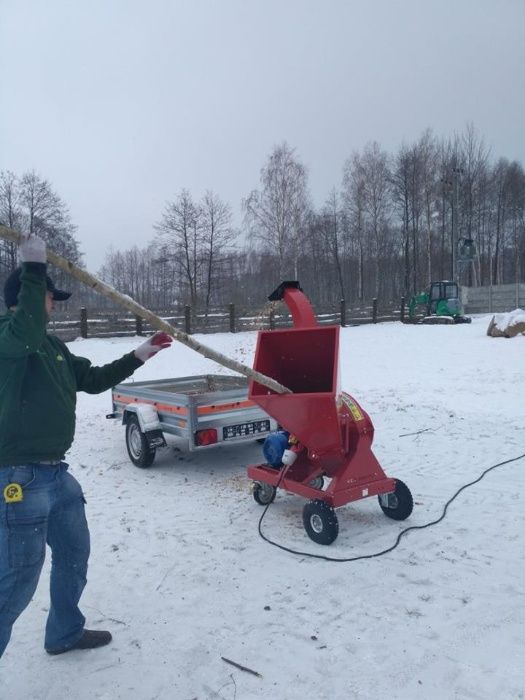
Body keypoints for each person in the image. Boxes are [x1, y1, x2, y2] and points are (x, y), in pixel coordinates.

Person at [0, 234, 172, 657]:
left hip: (58, 475)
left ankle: (64, 632)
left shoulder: (54, 347)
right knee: (19, 577)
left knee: (75, 554)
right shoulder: (8, 339)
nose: (54, 304)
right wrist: (34, 268)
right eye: (47, 297)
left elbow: (92, 380)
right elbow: (24, 333)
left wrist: (139, 354)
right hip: (18, 478)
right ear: (23, 298)